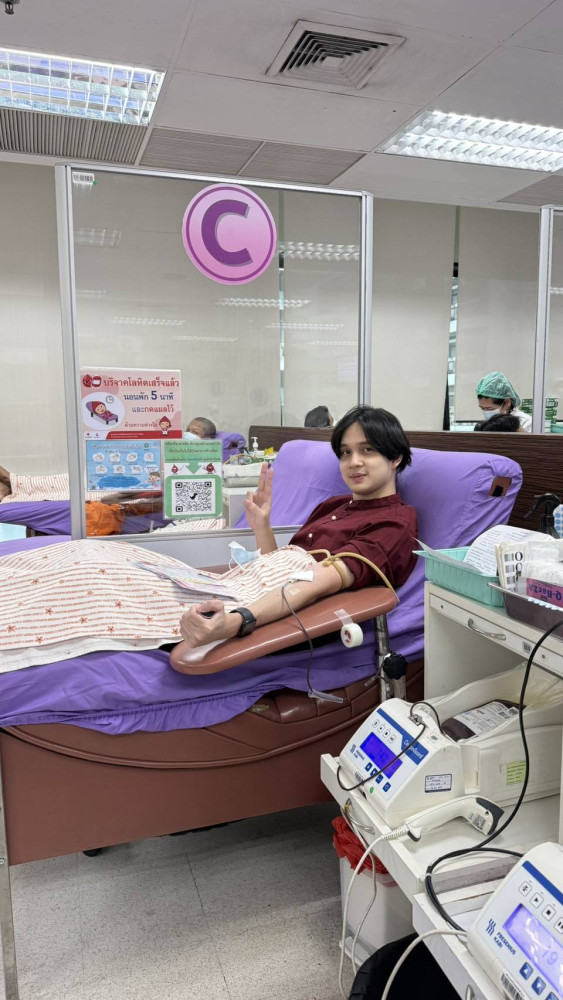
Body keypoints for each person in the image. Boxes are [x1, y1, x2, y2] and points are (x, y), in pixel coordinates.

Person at [179, 406, 418, 650]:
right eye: (346, 452)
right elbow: (281, 571)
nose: (353, 462)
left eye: (368, 450)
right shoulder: (333, 506)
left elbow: (314, 582)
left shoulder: (393, 524)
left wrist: (236, 621)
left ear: (395, 458)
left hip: (280, 623)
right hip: (258, 597)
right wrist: (262, 526)